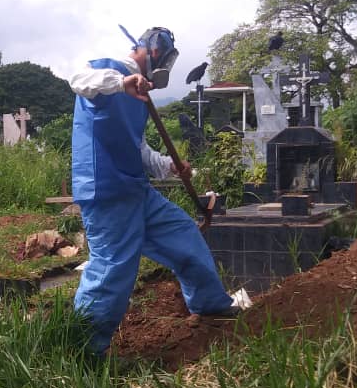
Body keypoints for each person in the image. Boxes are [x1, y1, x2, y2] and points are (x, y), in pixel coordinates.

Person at [66, 26, 237, 359]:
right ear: (153, 51)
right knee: (112, 268)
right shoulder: (108, 68)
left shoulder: (141, 96)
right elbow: (77, 80)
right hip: (107, 191)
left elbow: (139, 147)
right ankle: (82, 352)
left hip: (136, 189)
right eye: (166, 59)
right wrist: (120, 83)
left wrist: (169, 165)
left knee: (184, 234)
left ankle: (211, 306)